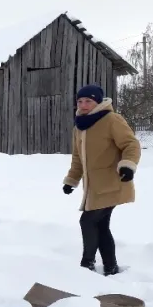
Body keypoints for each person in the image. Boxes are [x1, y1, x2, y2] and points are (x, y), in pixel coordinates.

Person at [63, 84, 141, 275]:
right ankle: (111, 267)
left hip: (113, 182)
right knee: (101, 225)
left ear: (97, 102)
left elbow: (131, 144)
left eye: (88, 101)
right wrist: (71, 180)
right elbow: (77, 158)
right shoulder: (80, 126)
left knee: (87, 222)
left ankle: (87, 265)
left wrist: (127, 165)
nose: (83, 105)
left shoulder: (111, 119)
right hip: (94, 188)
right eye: (80, 101)